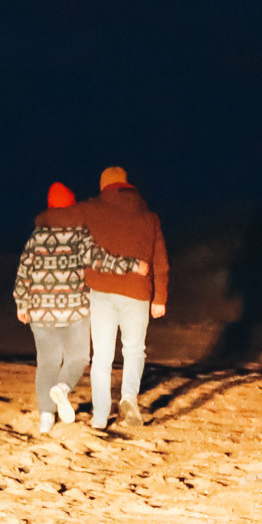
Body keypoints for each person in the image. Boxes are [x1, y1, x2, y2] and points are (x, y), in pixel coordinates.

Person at [14, 182, 147, 434]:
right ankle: (63, 387)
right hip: (74, 309)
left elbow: (24, 272)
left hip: (40, 311)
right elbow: (99, 259)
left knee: (47, 363)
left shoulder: (36, 237)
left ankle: (46, 418)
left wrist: (22, 303)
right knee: (79, 357)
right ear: (73, 206)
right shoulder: (79, 234)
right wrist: (132, 265)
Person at [75, 165, 170, 429]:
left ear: (104, 186)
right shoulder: (149, 217)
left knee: (102, 356)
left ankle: (100, 415)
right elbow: (160, 261)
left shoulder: (92, 210)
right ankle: (128, 398)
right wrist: (160, 298)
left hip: (102, 291)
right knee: (134, 349)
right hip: (138, 293)